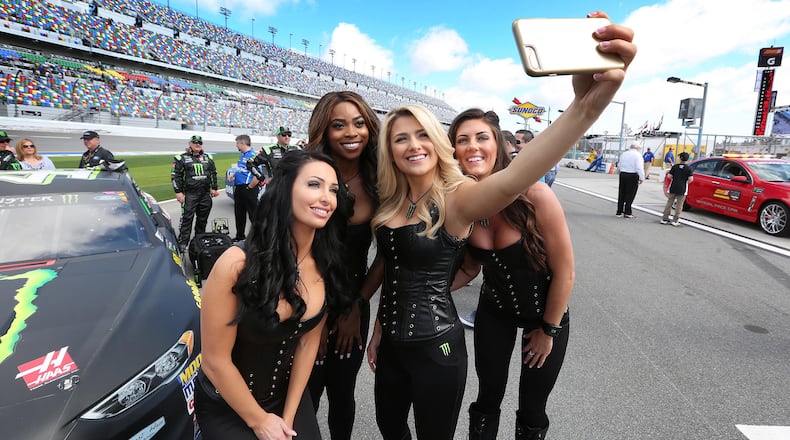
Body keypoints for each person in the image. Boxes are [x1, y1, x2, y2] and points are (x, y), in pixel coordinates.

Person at [365, 16, 634, 438]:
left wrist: (585, 107)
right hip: (468, 320)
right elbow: (434, 271)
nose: (412, 144)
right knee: (466, 404)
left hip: (509, 324)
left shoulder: (466, 199)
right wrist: (377, 323)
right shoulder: (392, 202)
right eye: (400, 138)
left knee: (530, 406)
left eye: (422, 135)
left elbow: (516, 179)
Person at [195, 150, 353, 440]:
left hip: (287, 398)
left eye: (333, 190)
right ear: (285, 190)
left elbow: (307, 344)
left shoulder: (327, 265)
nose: (327, 198)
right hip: (226, 402)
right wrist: (260, 422)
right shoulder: (235, 264)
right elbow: (214, 361)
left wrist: (288, 419)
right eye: (314, 185)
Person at [449, 108, 574, 440]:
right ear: (454, 151)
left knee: (532, 406)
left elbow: (565, 273)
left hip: (547, 315)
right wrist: (429, 292)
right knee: (487, 398)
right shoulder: (462, 202)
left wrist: (548, 330)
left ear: (498, 145)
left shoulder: (536, 196)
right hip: (495, 311)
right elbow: (469, 268)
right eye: (463, 140)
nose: (473, 146)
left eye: (482, 137)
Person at [304, 91, 382, 440]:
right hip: (305, 302)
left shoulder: (382, 180)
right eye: (339, 125)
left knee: (342, 392)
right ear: (324, 130)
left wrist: (357, 304)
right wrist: (315, 319)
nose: (351, 132)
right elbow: (293, 255)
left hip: (353, 303)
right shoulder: (304, 177)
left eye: (359, 123)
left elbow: (387, 256)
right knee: (305, 395)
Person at [171, 135, 219, 251]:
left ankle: (199, 240)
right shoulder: (180, 158)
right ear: (190, 144)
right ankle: (183, 242)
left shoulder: (208, 157)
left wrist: (214, 188)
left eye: (200, 142)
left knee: (202, 220)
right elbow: (175, 176)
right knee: (187, 219)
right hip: (190, 194)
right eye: (195, 142)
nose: (198, 144)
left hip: (205, 194)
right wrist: (178, 192)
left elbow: (213, 173)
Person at [232, 134, 260, 241]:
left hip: (249, 188)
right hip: (239, 188)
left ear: (242, 143)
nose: (236, 146)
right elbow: (242, 169)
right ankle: (240, 236)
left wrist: (250, 187)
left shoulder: (253, 156)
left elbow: (258, 175)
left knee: (253, 215)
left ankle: (259, 238)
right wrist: (233, 174)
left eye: (237, 143)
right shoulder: (243, 155)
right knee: (239, 214)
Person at [661, 151, 694, 226]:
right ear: (687, 159)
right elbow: (691, 179)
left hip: (673, 186)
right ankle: (675, 220)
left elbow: (669, 176)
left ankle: (664, 218)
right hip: (682, 188)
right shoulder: (688, 168)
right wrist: (685, 182)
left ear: (680, 158)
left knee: (669, 203)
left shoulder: (675, 167)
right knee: (679, 205)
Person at [615, 143, 645, 218]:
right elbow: (639, 167)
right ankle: (627, 212)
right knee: (630, 194)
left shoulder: (624, 154)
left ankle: (619, 211)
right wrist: (642, 177)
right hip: (632, 175)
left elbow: (619, 164)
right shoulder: (638, 155)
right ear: (637, 148)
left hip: (623, 174)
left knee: (622, 192)